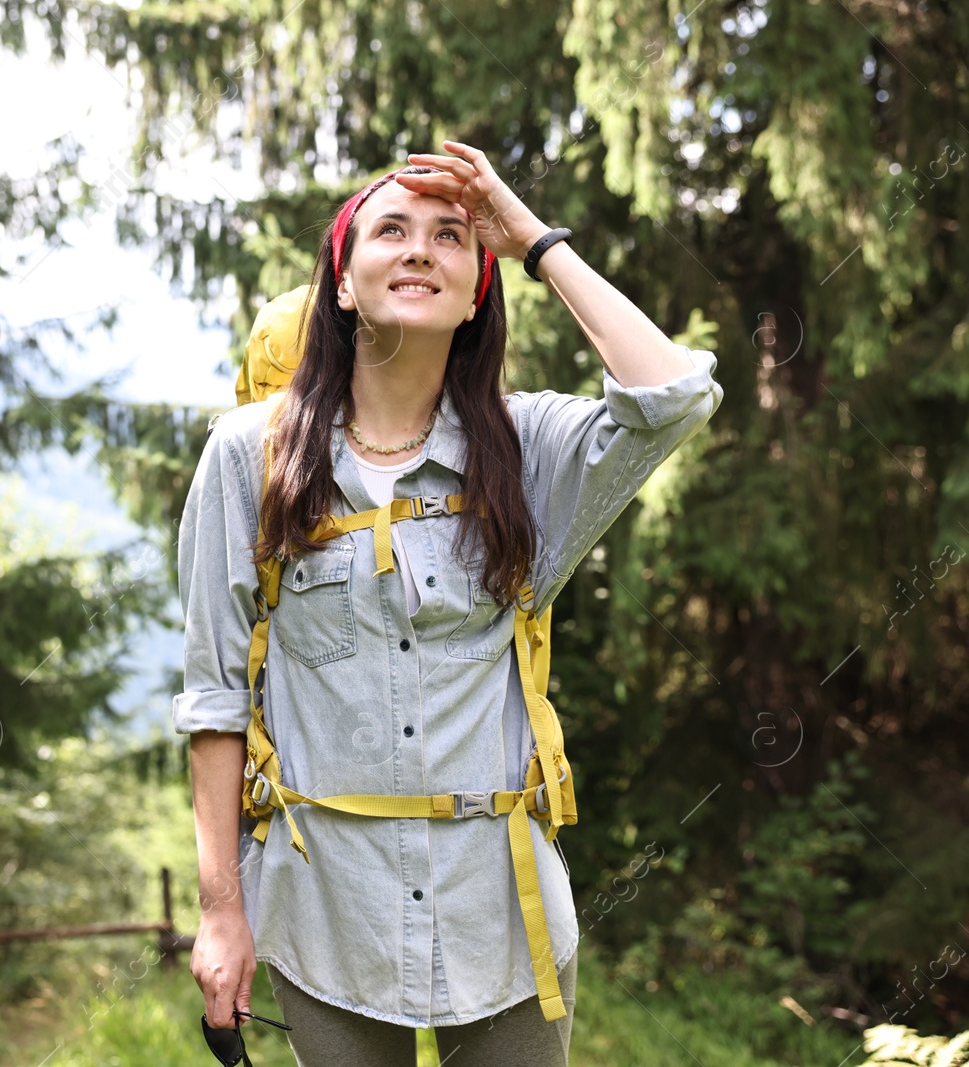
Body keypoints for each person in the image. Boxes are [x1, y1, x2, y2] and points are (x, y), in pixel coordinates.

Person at [173, 141, 724, 1066]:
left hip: (502, 921)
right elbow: (215, 699)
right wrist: (221, 913)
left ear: (478, 290)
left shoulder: (527, 446)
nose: (420, 248)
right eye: (392, 230)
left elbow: (672, 395)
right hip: (323, 912)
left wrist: (533, 237)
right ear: (342, 285)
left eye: (451, 237)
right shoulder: (251, 457)